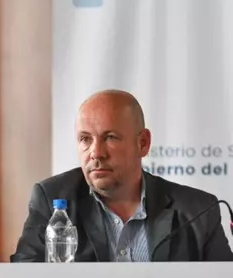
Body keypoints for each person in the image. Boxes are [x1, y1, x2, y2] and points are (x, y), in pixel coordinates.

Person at [12, 89, 233, 262]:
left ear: (143, 143)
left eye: (110, 137)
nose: (96, 153)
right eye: (85, 139)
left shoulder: (198, 211)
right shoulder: (51, 199)